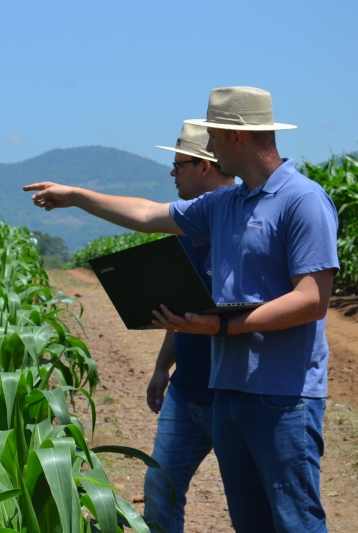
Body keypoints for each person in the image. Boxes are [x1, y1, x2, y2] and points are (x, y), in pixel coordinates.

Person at [24, 86, 338, 533]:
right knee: (251, 523)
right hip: (228, 390)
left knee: (294, 522)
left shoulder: (303, 200)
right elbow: (149, 214)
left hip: (283, 395)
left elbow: (311, 299)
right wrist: (76, 196)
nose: (206, 147)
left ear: (235, 137)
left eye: (212, 135)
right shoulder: (224, 204)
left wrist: (222, 327)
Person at [142, 124, 234, 533]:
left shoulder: (238, 226)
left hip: (234, 395)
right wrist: (163, 367)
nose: (172, 174)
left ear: (204, 166)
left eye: (178, 165)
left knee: (250, 506)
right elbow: (181, 308)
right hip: (187, 390)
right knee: (160, 490)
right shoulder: (183, 230)